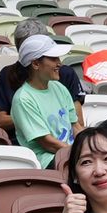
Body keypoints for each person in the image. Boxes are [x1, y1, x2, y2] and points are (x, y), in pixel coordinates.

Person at [0, 18, 85, 134]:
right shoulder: (7, 74)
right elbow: (0, 121)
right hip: (21, 140)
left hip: (63, 137)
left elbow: (78, 122)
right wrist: (31, 116)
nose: (58, 63)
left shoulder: (65, 74)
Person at [11, 34, 77, 168]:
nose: (59, 63)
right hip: (49, 161)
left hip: (72, 154)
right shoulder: (23, 99)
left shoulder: (59, 87)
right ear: (35, 64)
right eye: (53, 58)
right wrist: (82, 154)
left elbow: (75, 126)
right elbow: (48, 143)